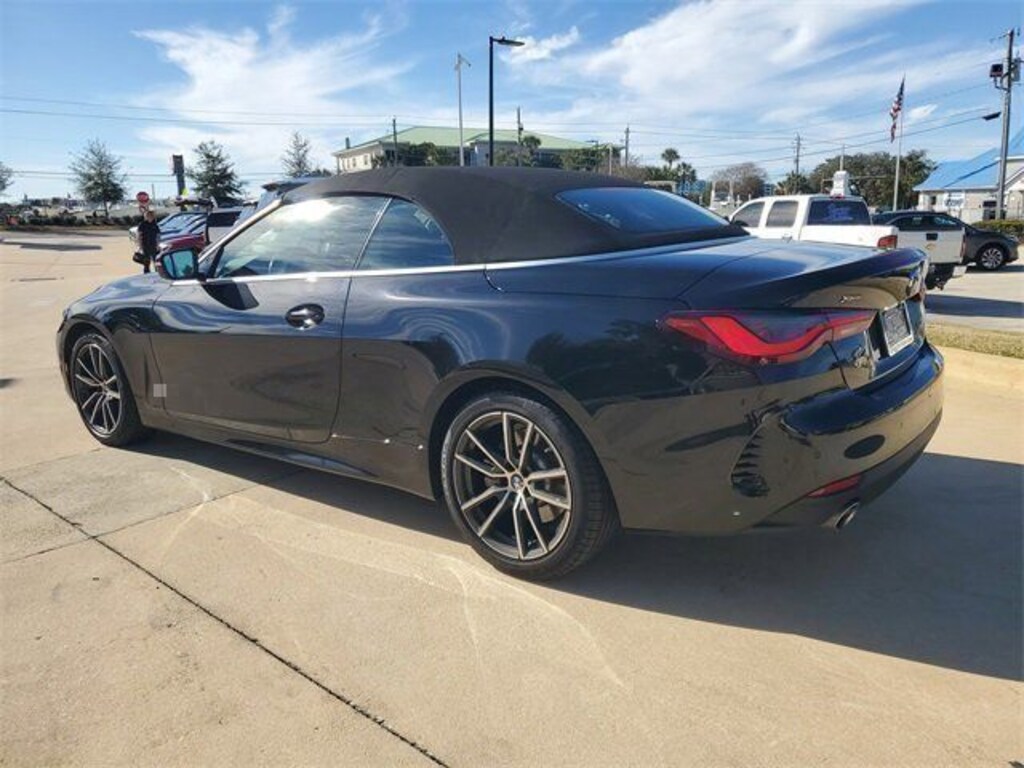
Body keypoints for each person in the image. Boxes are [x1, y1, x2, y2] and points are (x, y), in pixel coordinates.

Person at [136, 209, 160, 274]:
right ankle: (146, 273)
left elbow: (158, 235)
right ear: (145, 217)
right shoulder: (142, 224)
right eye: (147, 216)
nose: (149, 217)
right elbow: (139, 235)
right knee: (146, 261)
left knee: (156, 261)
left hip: (153, 245)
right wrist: (139, 245)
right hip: (145, 245)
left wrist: (158, 245)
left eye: (151, 216)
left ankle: (157, 273)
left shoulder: (155, 224)